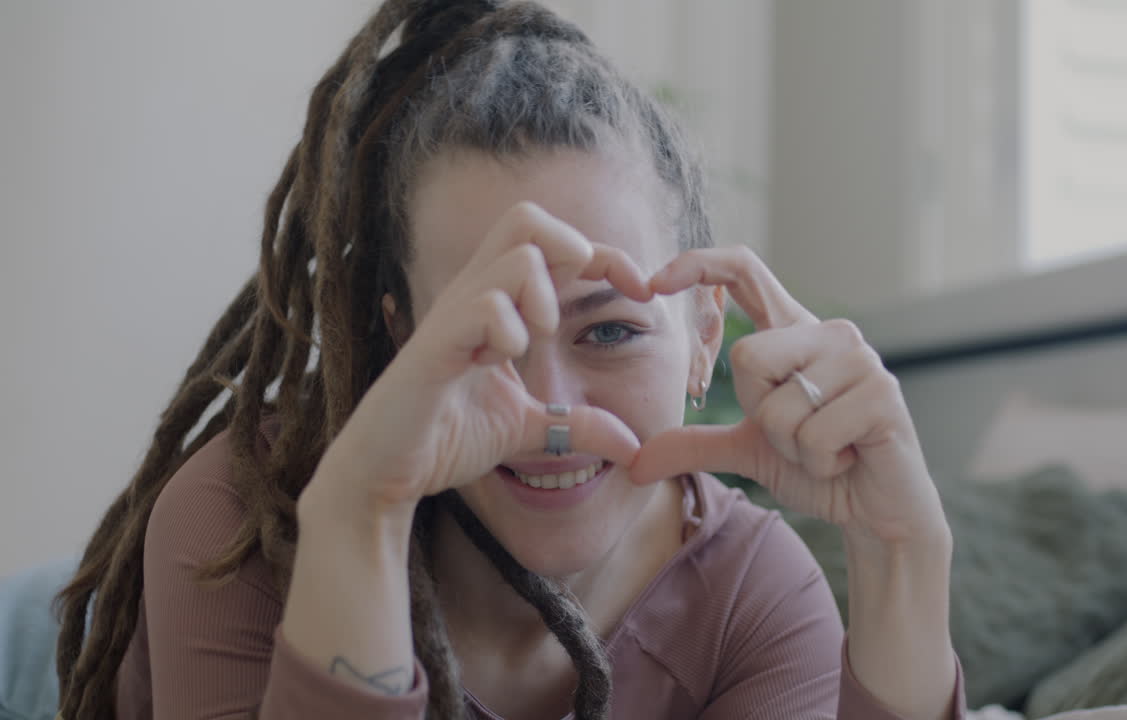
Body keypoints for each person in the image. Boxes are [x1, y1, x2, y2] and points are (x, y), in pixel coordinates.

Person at [54, 1, 964, 718]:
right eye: (486, 335)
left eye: (609, 331)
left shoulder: (752, 599)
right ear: (401, 337)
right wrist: (357, 520)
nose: (549, 409)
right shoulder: (244, 519)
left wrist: (904, 554)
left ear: (704, 339)